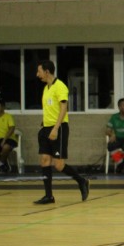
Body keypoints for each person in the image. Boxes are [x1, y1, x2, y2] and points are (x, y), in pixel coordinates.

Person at [34, 60, 89, 205]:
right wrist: (44, 125)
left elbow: (64, 109)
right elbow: (50, 109)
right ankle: (49, 196)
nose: (37, 74)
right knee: (45, 161)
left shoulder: (60, 86)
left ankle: (81, 180)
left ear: (46, 71)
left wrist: (55, 128)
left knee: (58, 165)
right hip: (46, 128)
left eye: (39, 71)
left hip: (59, 128)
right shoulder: (46, 88)